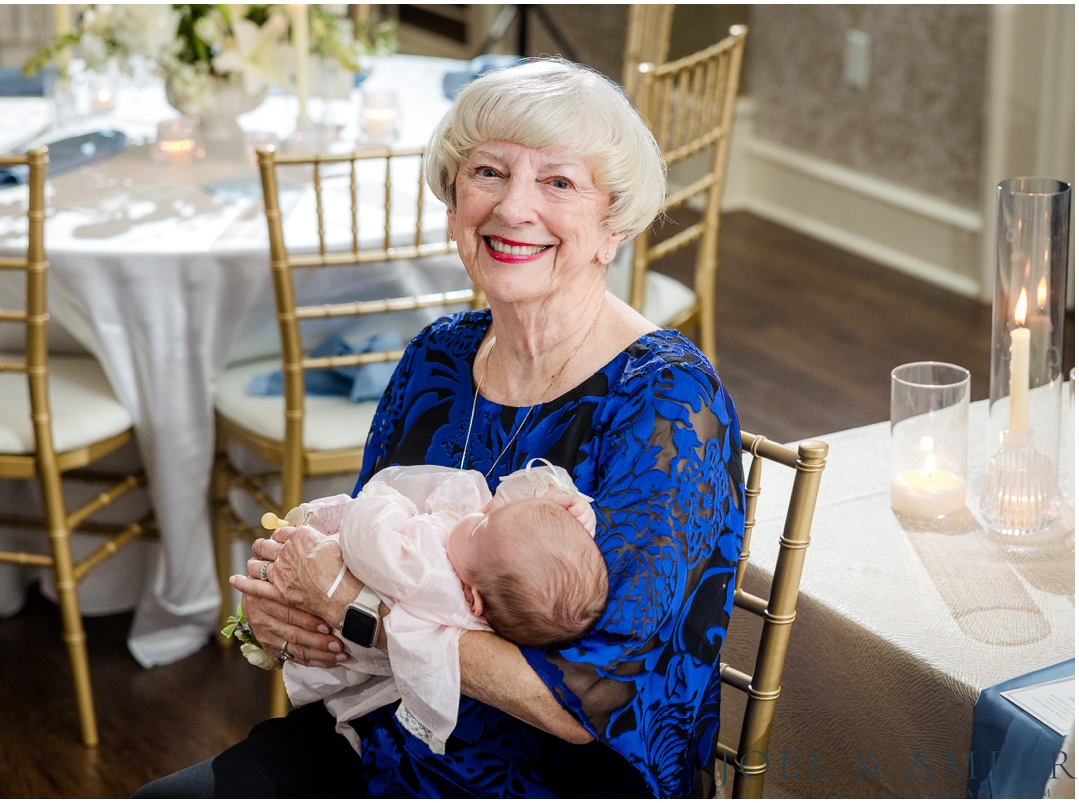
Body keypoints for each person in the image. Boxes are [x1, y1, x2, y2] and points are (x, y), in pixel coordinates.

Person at [135, 57, 744, 799]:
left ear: (611, 225)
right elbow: (352, 555)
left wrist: (352, 610)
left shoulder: (666, 402)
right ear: (454, 200)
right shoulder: (439, 357)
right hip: (384, 738)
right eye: (488, 172)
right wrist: (269, 622)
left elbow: (587, 699)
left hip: (554, 778)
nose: (513, 209)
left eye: (558, 182)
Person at [280, 461, 607, 757]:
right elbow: (508, 507)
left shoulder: (428, 573)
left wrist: (389, 502)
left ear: (472, 598)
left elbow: (363, 539)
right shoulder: (504, 583)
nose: (484, 508)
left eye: (481, 525)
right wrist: (559, 498)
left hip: (332, 644)